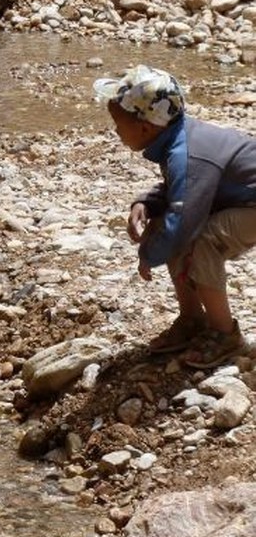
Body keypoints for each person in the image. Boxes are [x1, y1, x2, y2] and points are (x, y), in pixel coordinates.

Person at [95, 64, 256, 368]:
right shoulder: (176, 138)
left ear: (146, 127)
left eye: (118, 122)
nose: (115, 130)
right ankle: (193, 319)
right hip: (245, 199)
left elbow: (183, 220)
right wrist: (145, 203)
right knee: (172, 224)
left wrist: (148, 254)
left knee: (202, 239)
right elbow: (180, 190)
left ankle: (226, 335)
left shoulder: (187, 153)